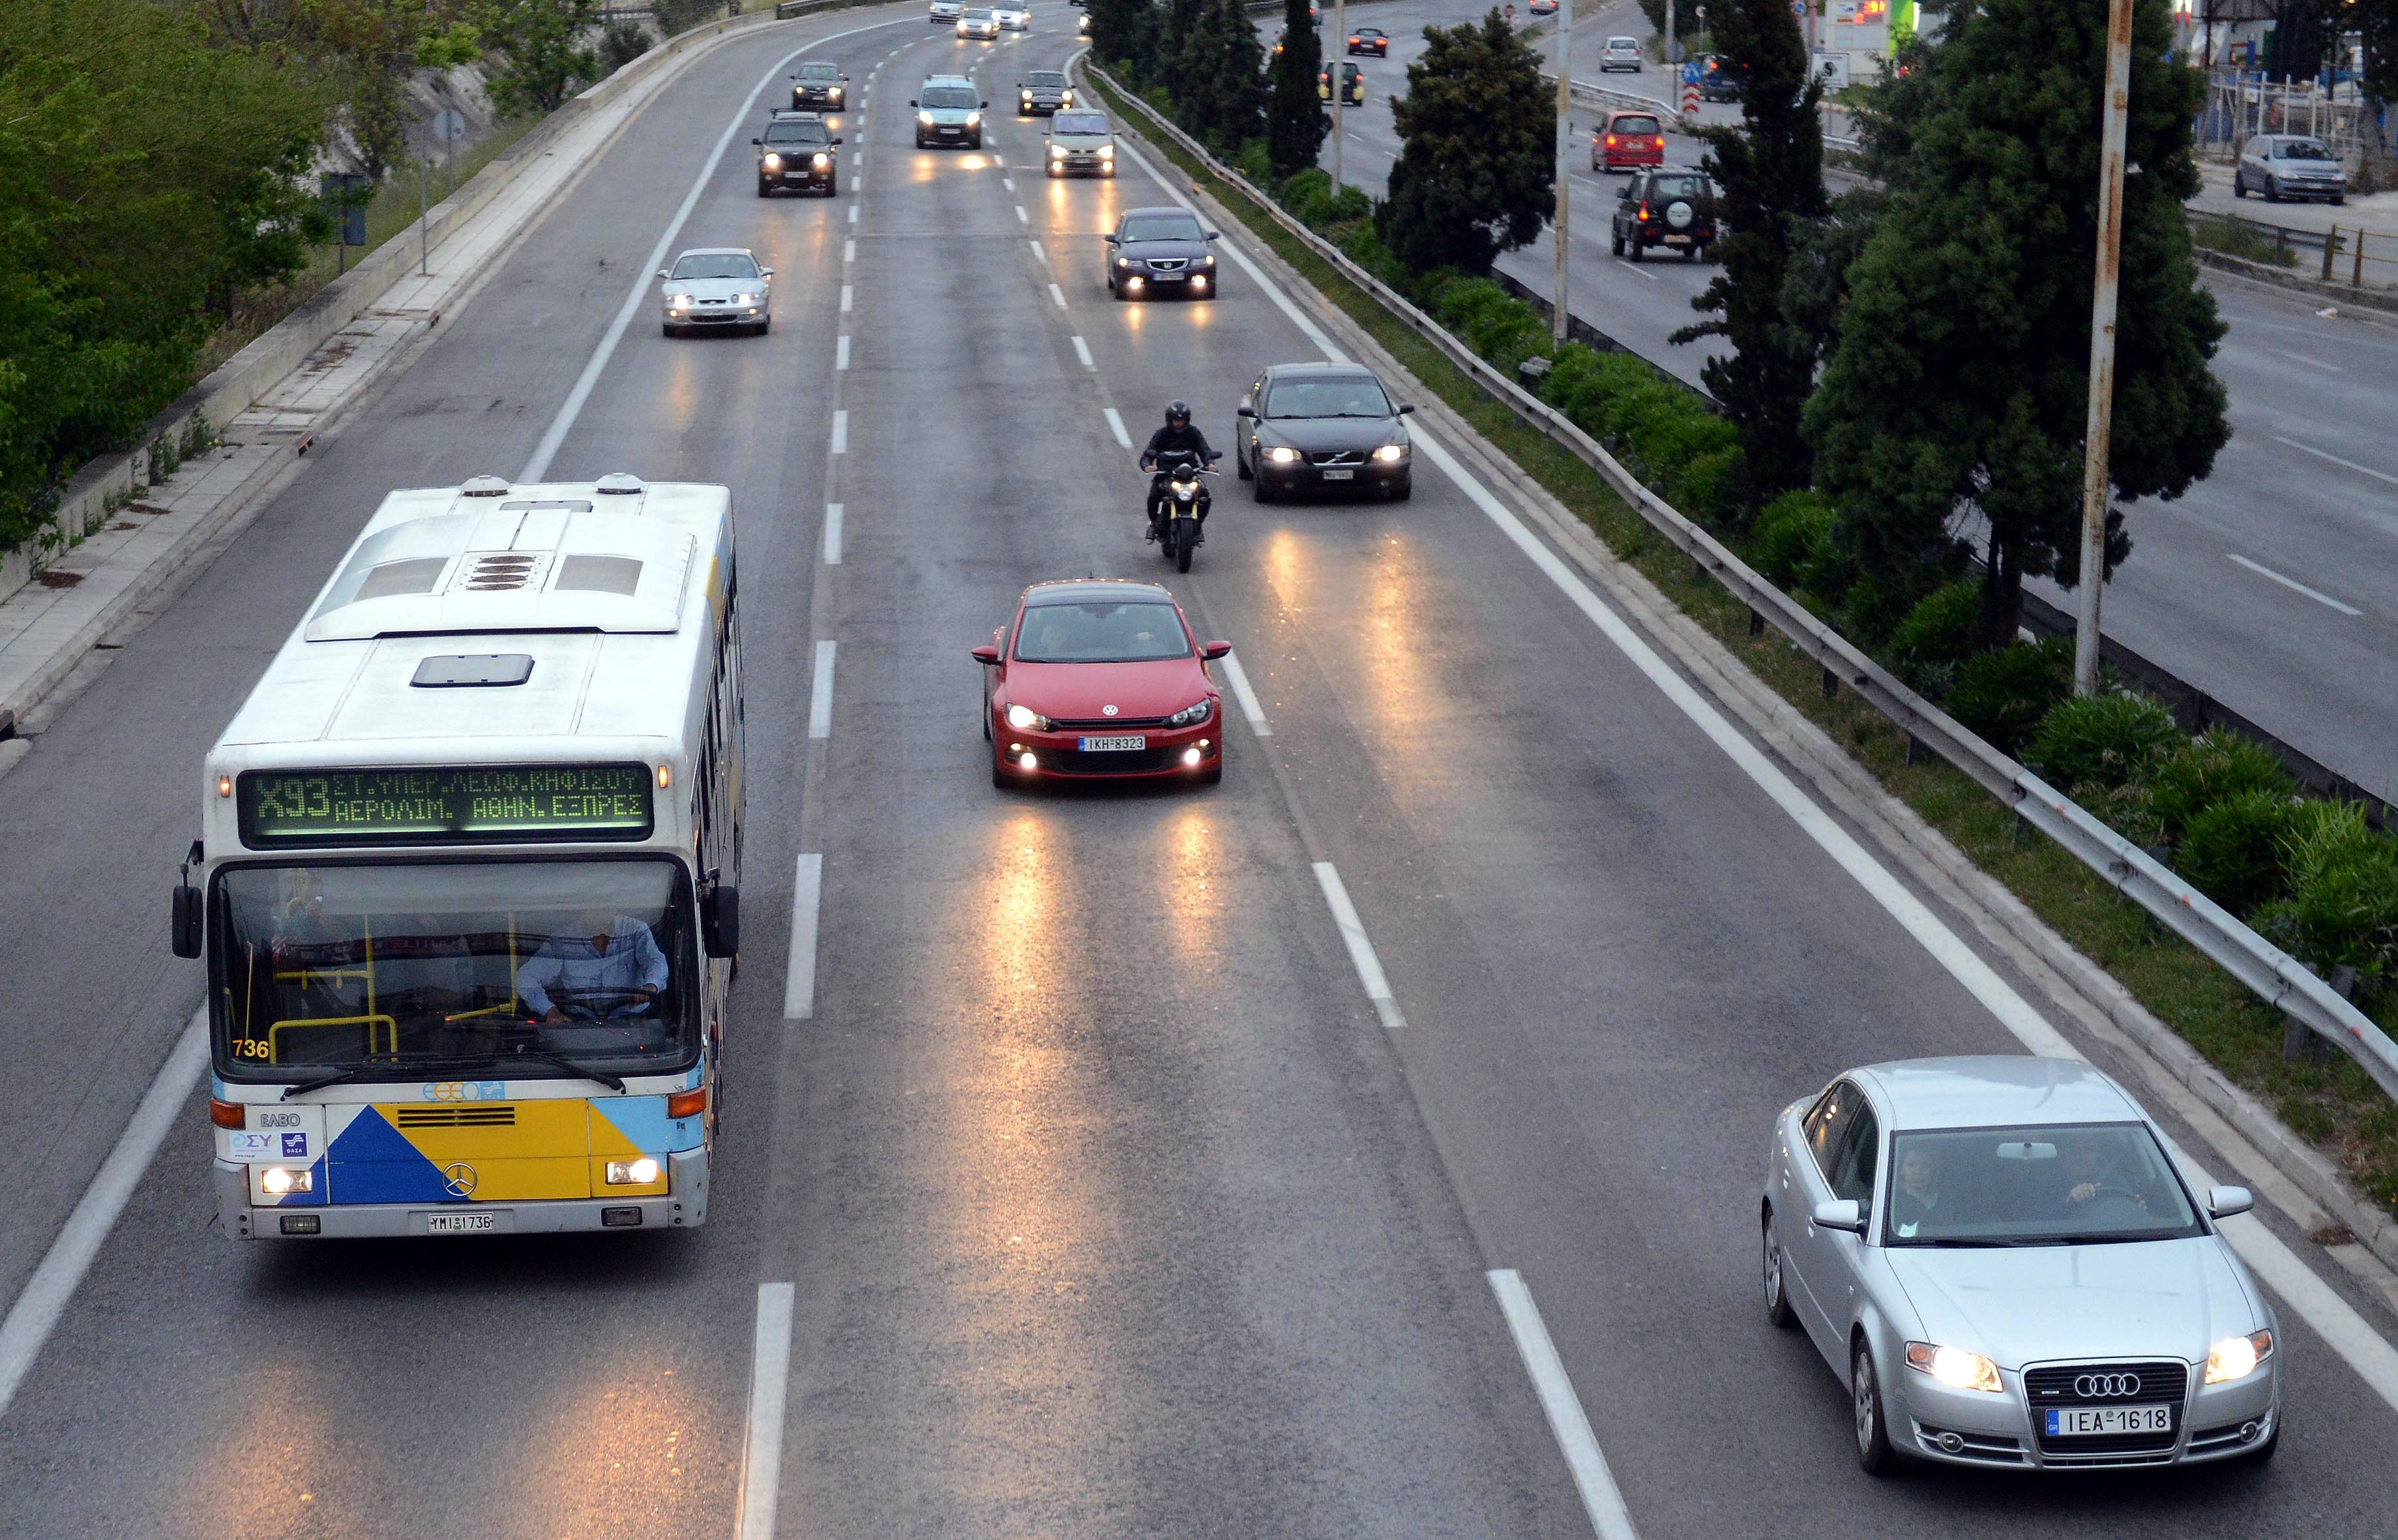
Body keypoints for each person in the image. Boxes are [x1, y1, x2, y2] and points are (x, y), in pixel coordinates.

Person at [516, 907, 669, 1023]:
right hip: (579, 1023)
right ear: (582, 911)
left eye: (603, 908)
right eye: (592, 909)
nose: (598, 915)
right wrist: (549, 1011)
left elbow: (655, 962)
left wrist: (650, 986)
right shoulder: (563, 940)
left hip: (635, 1021)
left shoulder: (636, 931)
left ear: (614, 908)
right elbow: (526, 978)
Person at [1138, 400, 1219, 539]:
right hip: (1166, 475)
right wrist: (1147, 466)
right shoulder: (1161, 434)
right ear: (1170, 420)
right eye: (1176, 421)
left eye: (1181, 421)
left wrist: (1210, 463)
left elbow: (1204, 449)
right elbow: (1148, 454)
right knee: (1154, 496)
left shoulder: (1193, 433)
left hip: (1190, 474)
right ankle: (1152, 524)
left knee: (1205, 496)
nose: (1179, 423)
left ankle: (1198, 526)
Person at [1888, 1146, 1944, 1239]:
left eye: (1925, 1166)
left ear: (1933, 1170)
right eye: (1911, 1165)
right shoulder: (1890, 1202)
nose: (1918, 1171)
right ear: (1901, 1170)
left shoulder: (1949, 1201)